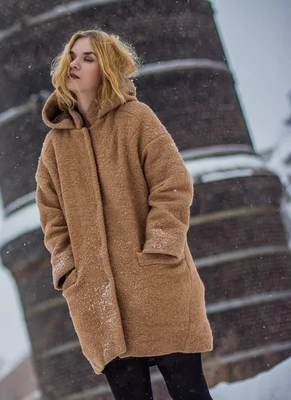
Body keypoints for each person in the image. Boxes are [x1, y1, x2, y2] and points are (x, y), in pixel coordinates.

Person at [35, 29, 214, 400]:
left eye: (88, 57)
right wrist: (69, 269)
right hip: (97, 298)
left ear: (109, 68)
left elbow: (173, 184)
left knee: (190, 393)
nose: (76, 64)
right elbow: (51, 216)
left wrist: (161, 247)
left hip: (158, 283)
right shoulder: (55, 145)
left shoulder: (136, 119)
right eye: (72, 56)